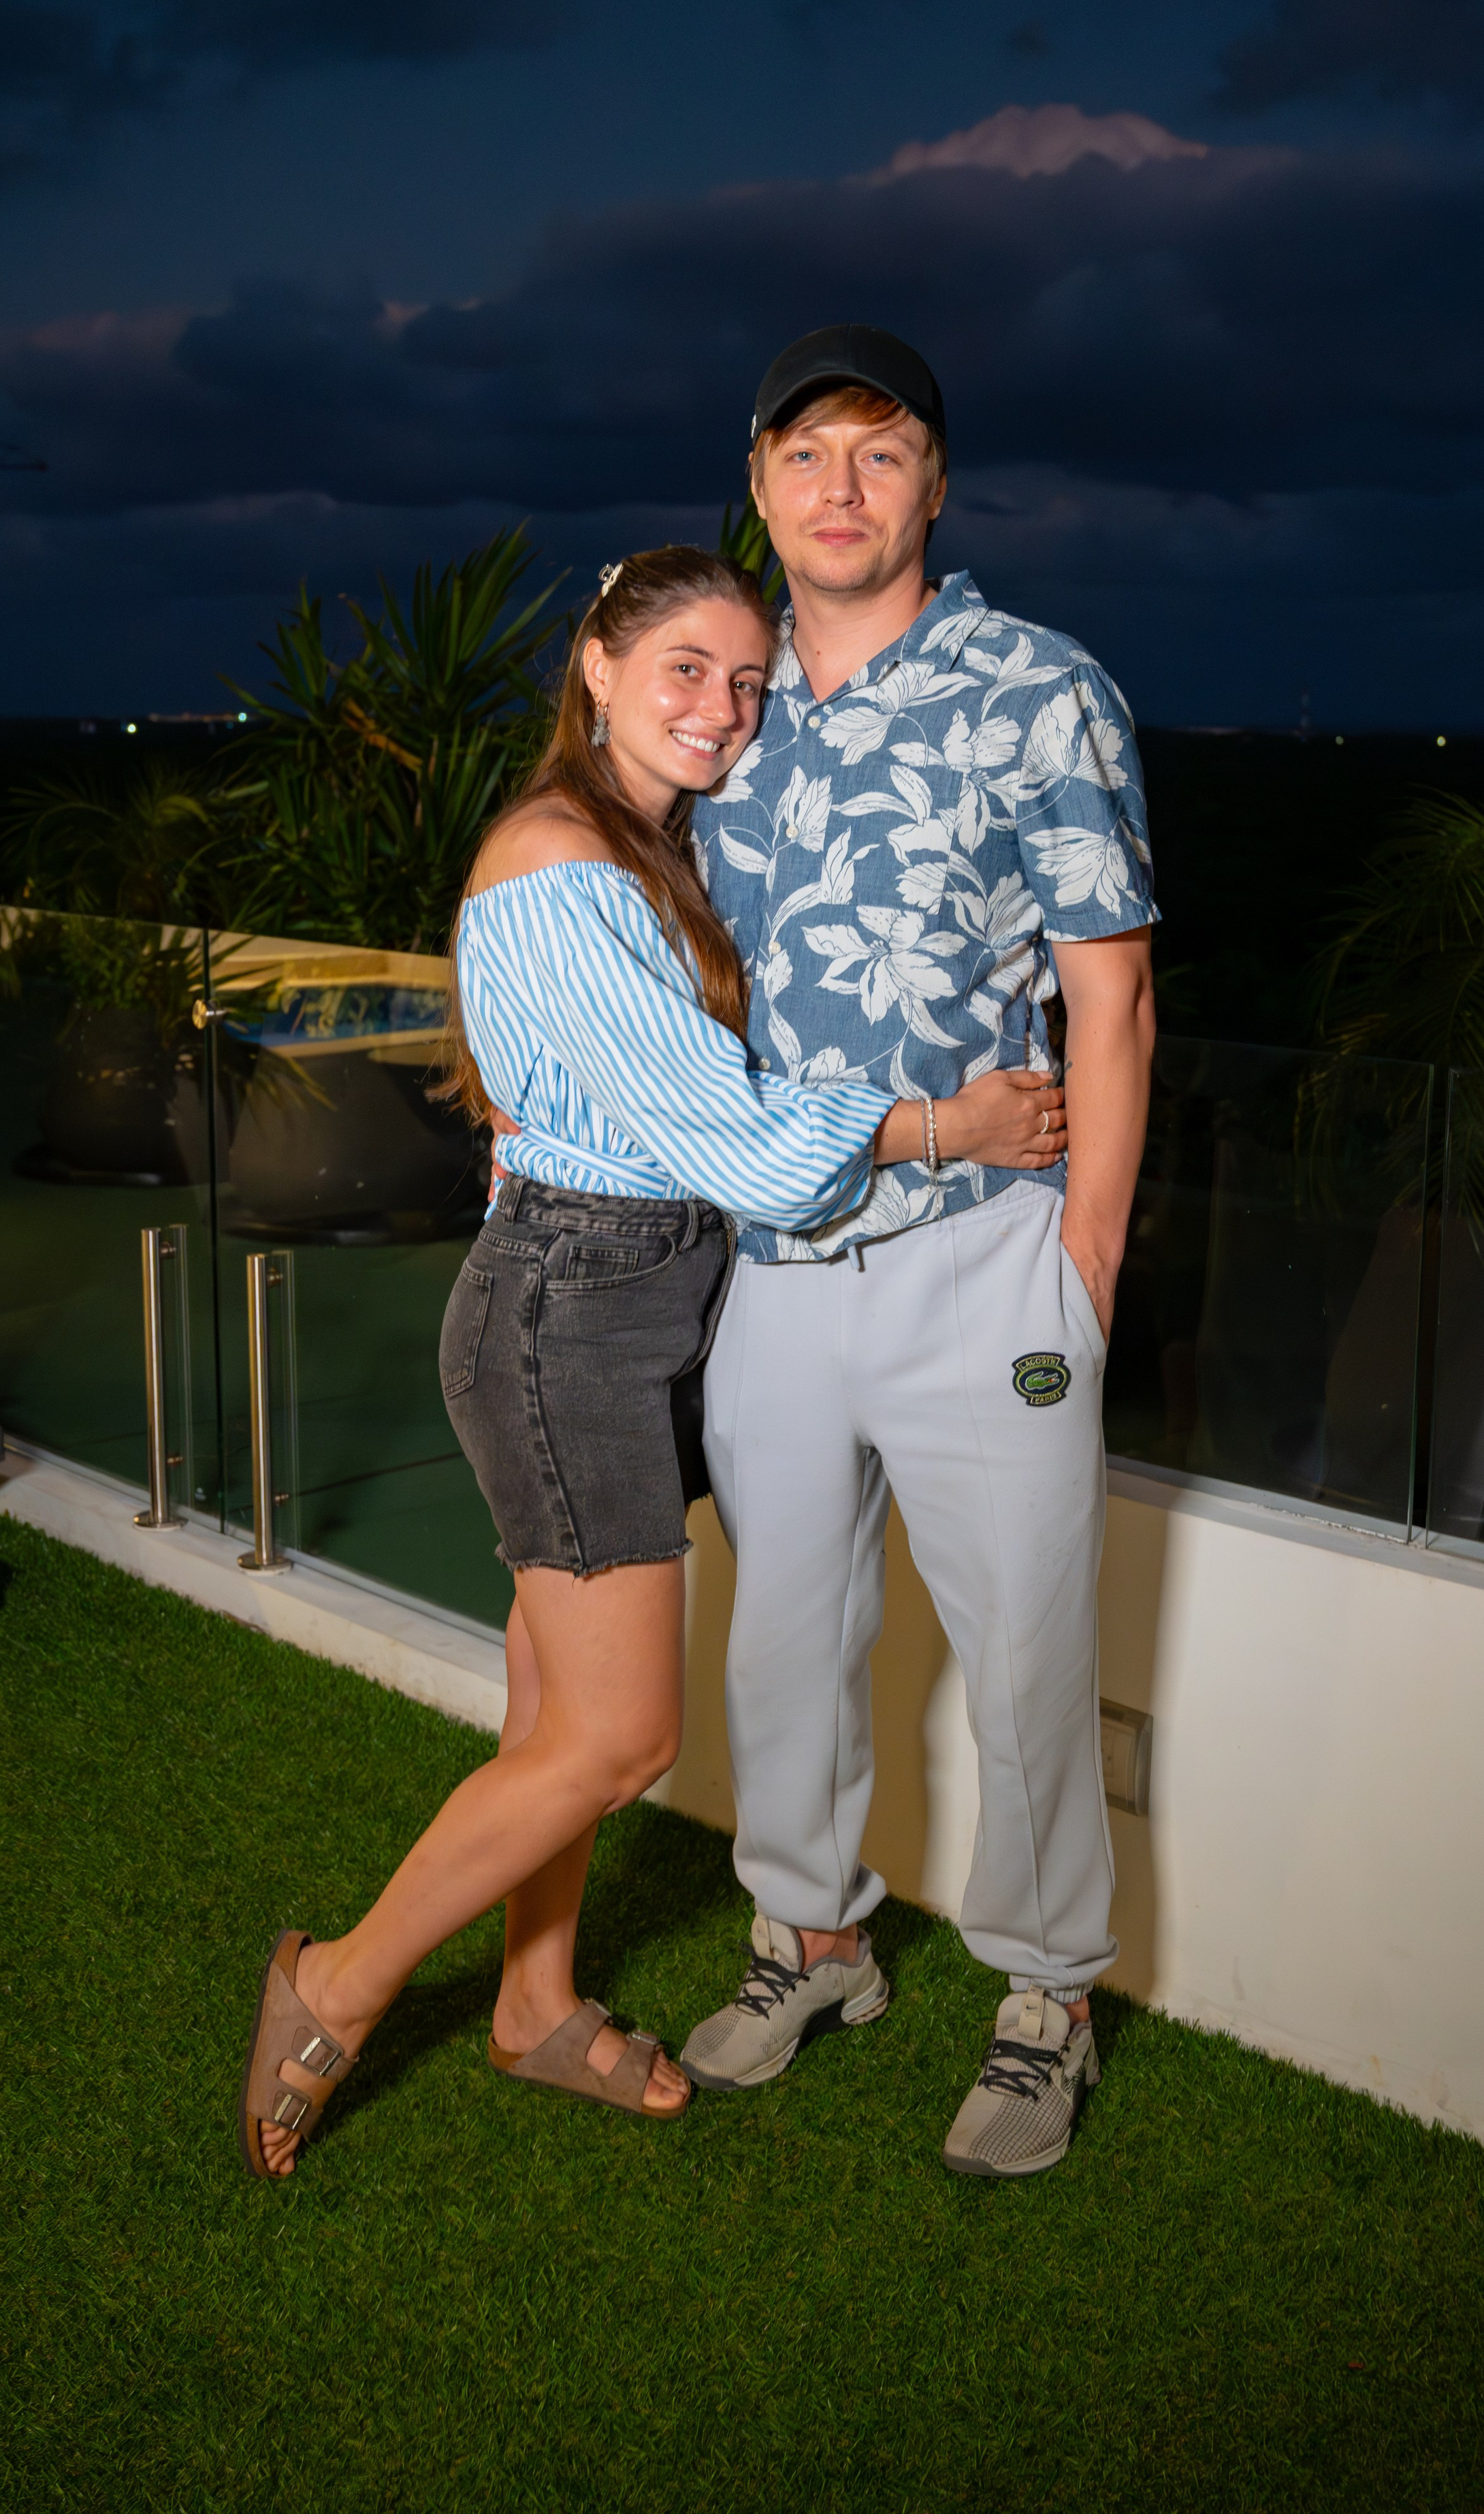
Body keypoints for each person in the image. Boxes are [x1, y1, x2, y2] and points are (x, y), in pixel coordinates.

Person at [237, 545, 1069, 2177]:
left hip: (631, 1294)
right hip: (575, 1311)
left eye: (750, 682)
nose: (723, 708)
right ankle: (330, 1984)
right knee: (618, 1740)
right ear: (597, 669)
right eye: (686, 667)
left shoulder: (643, 846)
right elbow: (735, 1139)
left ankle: (533, 2001)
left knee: (549, 1702)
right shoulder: (556, 866)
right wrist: (943, 1123)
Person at [681, 327, 1158, 2179]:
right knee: (782, 1645)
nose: (841, 491)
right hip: (776, 1274)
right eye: (806, 458)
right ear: (758, 481)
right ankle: (810, 1940)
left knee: (1029, 1659)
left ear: (934, 485)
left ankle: (1046, 2000)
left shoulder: (1041, 689)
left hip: (988, 1262)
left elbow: (1111, 1002)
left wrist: (1084, 1267)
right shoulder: (720, 702)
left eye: (879, 456)